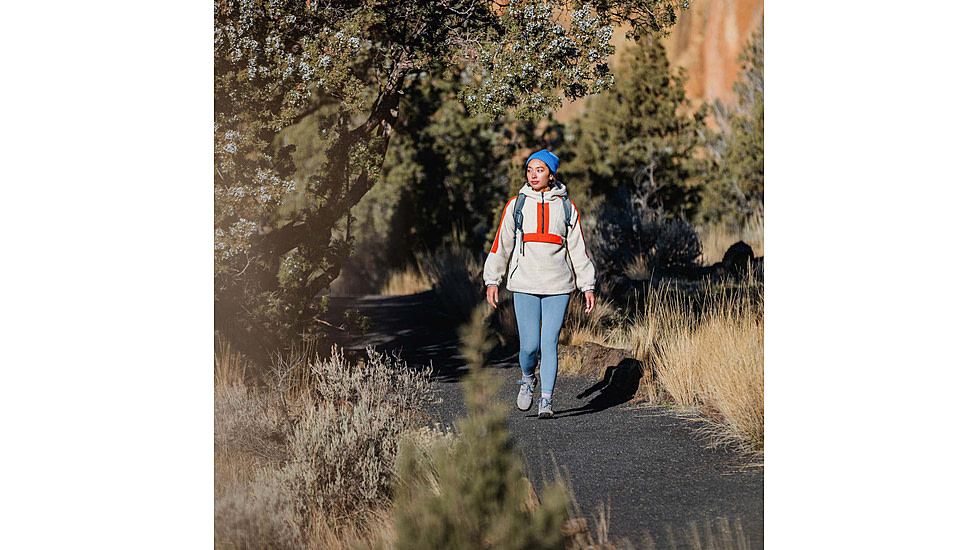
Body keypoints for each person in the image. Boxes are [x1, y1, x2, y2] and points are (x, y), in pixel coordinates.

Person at [483, 149, 596, 419]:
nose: (533, 175)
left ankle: (546, 400)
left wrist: (587, 285)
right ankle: (527, 379)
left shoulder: (567, 207)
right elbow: (502, 245)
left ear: (552, 174)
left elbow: (579, 250)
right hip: (525, 284)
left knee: (549, 344)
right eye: (530, 170)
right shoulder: (516, 205)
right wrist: (492, 280)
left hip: (559, 286)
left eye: (540, 170)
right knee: (530, 346)